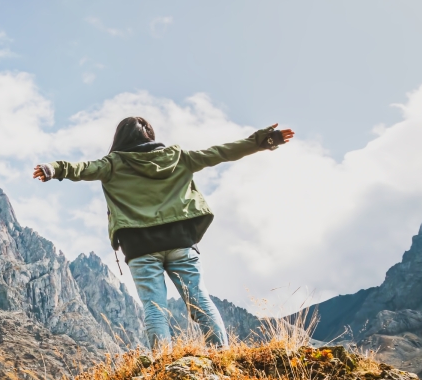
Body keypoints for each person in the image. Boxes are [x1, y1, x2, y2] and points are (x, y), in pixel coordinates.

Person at [33, 117, 294, 349]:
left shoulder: (113, 164)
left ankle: (164, 364)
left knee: (154, 308)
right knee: (200, 300)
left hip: (140, 247)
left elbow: (80, 168)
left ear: (120, 138)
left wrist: (52, 168)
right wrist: (264, 140)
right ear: (151, 135)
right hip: (180, 241)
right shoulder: (178, 157)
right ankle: (221, 355)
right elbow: (221, 152)